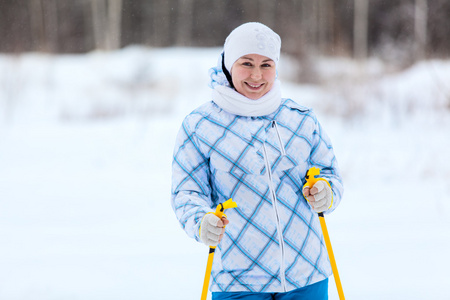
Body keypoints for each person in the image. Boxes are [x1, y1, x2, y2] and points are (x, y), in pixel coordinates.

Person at [171, 22, 343, 300]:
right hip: (238, 280)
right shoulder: (200, 125)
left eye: (266, 65)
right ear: (228, 64)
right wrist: (201, 221)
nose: (256, 75)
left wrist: (326, 191)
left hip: (306, 273)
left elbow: (329, 173)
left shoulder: (300, 118)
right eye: (246, 63)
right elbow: (187, 192)